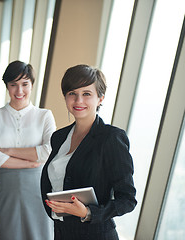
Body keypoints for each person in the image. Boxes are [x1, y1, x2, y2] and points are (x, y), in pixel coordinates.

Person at [41, 64, 137, 240]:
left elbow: (127, 199)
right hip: (62, 231)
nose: (78, 101)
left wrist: (88, 212)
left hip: (96, 234)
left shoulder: (112, 138)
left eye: (86, 94)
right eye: (72, 94)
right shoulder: (59, 137)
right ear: (65, 97)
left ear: (100, 98)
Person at [0, 60, 56, 240]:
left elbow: (49, 151)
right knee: (8, 234)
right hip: (6, 189)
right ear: (7, 86)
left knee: (41, 234)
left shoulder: (44, 116)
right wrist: (29, 164)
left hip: (38, 188)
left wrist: (7, 151)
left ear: (32, 85)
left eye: (24, 84)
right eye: (13, 85)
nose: (19, 91)